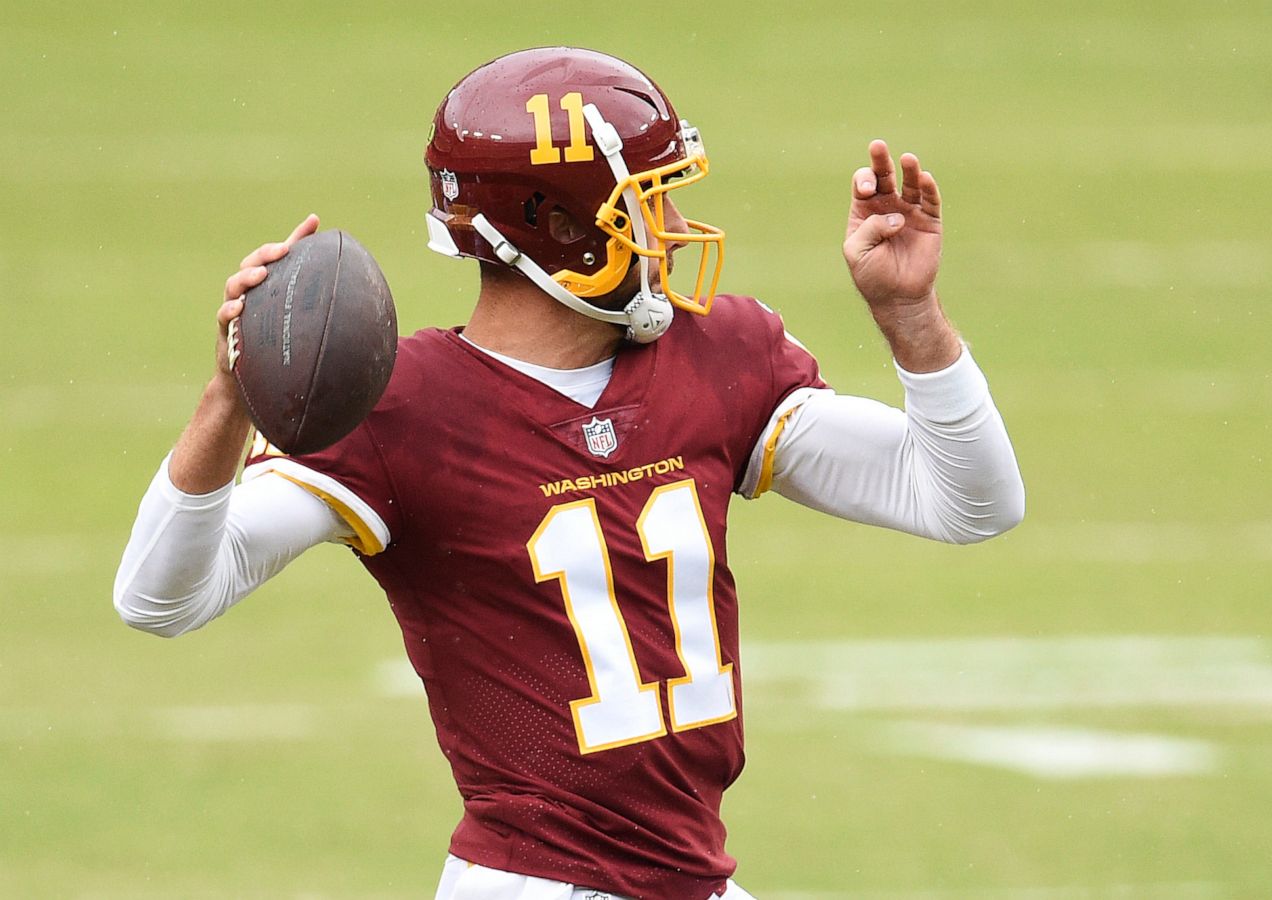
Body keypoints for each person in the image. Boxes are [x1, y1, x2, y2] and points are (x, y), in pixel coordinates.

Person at [113, 47, 1024, 900]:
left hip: (691, 875)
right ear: (557, 225)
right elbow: (160, 598)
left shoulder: (716, 358)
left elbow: (969, 502)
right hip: (535, 882)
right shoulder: (406, 406)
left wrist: (912, 318)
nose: (673, 229)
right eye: (647, 203)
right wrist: (230, 398)